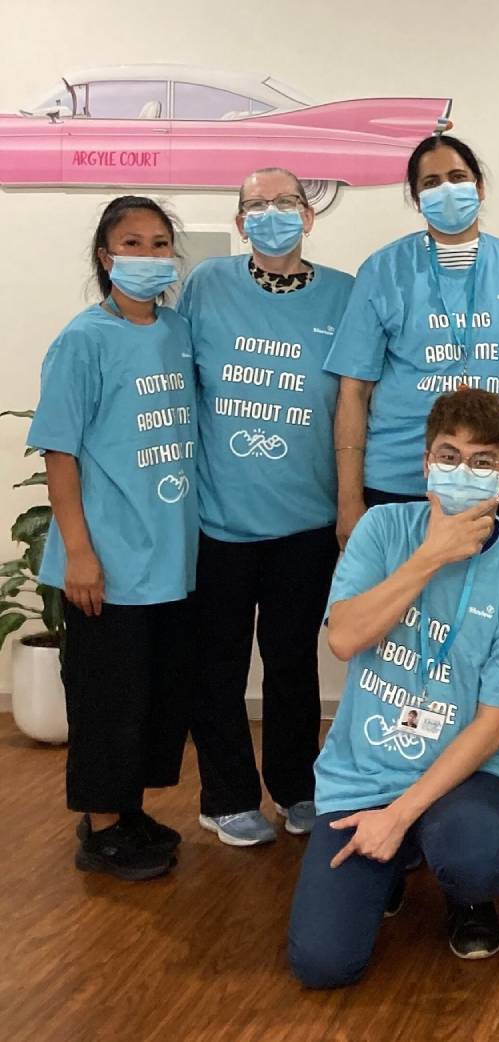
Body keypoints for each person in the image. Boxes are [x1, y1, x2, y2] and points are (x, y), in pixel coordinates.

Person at [287, 388, 499, 987]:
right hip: (363, 771)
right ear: (426, 462)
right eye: (449, 455)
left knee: (479, 858)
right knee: (322, 965)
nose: (464, 471)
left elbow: (492, 724)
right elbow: (344, 638)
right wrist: (429, 557)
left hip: (462, 774)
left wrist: (399, 813)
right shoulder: (382, 531)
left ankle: (466, 895)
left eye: (483, 461)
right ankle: (397, 861)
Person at [178, 169, 354, 846]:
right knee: (216, 665)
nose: (270, 214)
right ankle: (225, 796)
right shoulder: (207, 286)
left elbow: (352, 404)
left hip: (305, 522)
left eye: (284, 203)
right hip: (219, 521)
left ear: (308, 217)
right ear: (239, 219)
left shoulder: (343, 294)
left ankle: (296, 787)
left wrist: (347, 505)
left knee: (291, 662)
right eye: (256, 205)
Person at [29, 196, 198, 880]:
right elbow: (59, 453)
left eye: (161, 244)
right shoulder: (82, 340)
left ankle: (126, 811)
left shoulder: (177, 331)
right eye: (133, 243)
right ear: (106, 256)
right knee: (107, 698)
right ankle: (101, 829)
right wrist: (79, 553)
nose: (150, 256)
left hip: (171, 555)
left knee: (155, 696)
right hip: (108, 559)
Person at [323, 133, 499, 552]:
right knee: (403, 610)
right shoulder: (383, 271)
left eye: (457, 177)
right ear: (416, 199)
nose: (446, 190)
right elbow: (353, 391)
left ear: (480, 187)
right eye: (431, 183)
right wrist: (348, 501)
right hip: (403, 481)